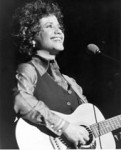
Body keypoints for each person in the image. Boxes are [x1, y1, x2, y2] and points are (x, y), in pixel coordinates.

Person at [13, 0, 89, 149]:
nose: (58, 31)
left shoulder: (70, 82)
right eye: (49, 26)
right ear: (30, 36)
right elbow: (20, 99)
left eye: (59, 27)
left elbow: (89, 126)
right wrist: (65, 127)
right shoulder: (28, 70)